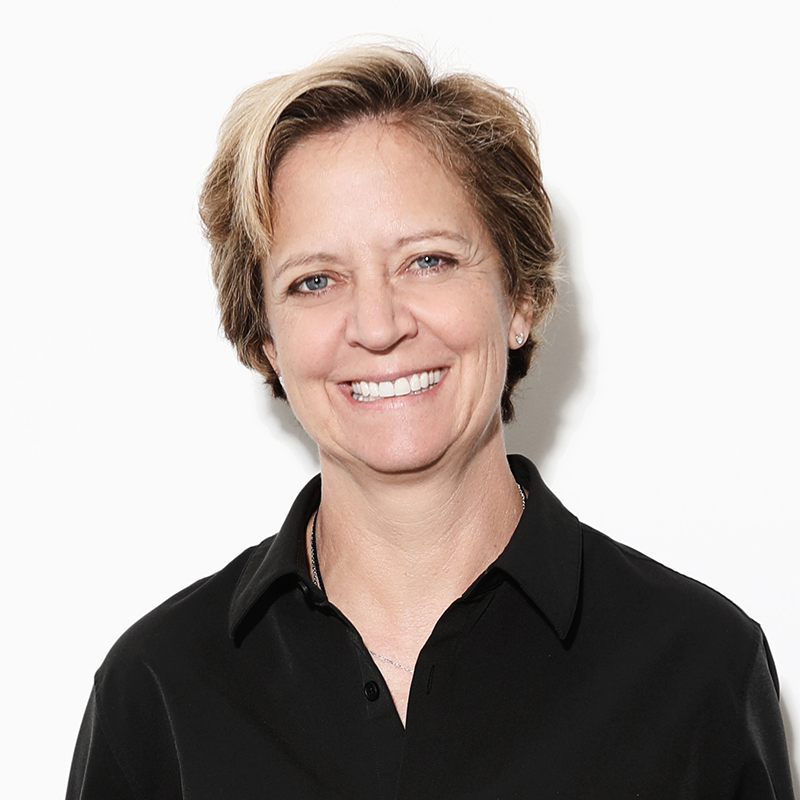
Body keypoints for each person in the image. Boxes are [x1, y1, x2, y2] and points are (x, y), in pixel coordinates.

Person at [66, 46, 795, 798]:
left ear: (522, 297)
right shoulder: (157, 689)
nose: (377, 326)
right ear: (264, 340)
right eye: (316, 280)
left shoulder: (700, 666)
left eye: (430, 261)